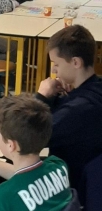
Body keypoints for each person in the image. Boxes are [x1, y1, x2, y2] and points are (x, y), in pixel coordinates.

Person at [36, 25, 102, 191]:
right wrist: (62, 97)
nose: (53, 70)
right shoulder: (94, 89)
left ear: (75, 62)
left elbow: (30, 136)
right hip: (88, 180)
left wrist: (42, 96)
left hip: (66, 187)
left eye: (56, 64)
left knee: (0, 178)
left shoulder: (78, 108)